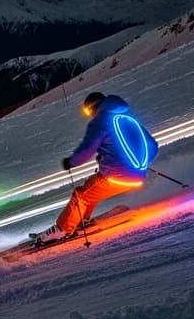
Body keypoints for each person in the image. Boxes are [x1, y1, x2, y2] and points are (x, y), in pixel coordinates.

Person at [32, 91, 159, 244]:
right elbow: (152, 145)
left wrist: (71, 162)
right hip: (137, 175)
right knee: (90, 187)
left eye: (88, 112)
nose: (90, 115)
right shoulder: (126, 117)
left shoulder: (100, 121)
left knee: (80, 195)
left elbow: (87, 149)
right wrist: (139, 165)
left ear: (93, 107)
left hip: (116, 176)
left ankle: (63, 229)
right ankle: (81, 219)